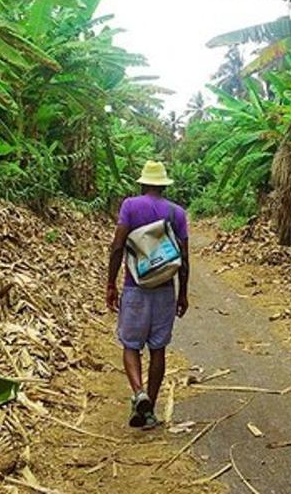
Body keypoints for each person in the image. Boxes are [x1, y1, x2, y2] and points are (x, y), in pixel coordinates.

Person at [106, 160, 190, 429]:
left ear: (142, 183)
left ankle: (138, 392)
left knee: (130, 345)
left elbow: (118, 246)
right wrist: (183, 294)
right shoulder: (177, 213)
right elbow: (184, 258)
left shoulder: (130, 206)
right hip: (164, 289)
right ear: (163, 186)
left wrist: (110, 284)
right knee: (158, 349)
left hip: (136, 287)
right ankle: (149, 409)